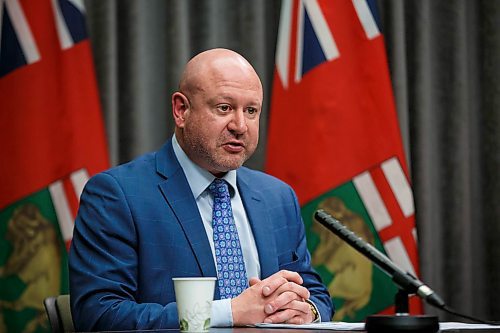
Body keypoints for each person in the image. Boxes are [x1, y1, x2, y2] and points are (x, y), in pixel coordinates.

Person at [69, 48, 333, 331]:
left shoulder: (277, 197)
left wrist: (307, 312)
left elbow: (314, 293)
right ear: (181, 110)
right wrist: (229, 312)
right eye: (224, 108)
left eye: (251, 110)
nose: (240, 126)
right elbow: (99, 316)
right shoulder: (117, 195)